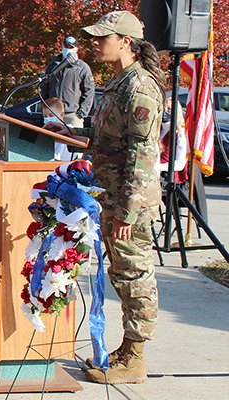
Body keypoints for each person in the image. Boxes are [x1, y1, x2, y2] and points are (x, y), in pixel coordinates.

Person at [43, 11, 167, 384]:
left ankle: (135, 358)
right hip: (110, 196)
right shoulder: (117, 83)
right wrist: (70, 132)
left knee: (135, 275)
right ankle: (127, 350)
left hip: (128, 203)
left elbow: (142, 156)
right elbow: (110, 142)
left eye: (101, 37)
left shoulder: (139, 87)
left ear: (125, 42)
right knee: (120, 273)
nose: (94, 43)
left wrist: (127, 214)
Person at [40, 36, 95, 161]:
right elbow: (44, 87)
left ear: (77, 49)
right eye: (66, 46)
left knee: (75, 150)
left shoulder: (82, 67)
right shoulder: (53, 65)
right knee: (53, 148)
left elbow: (89, 91)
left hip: (72, 114)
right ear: (62, 47)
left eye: (71, 47)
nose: (68, 49)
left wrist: (81, 114)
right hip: (53, 114)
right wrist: (46, 107)